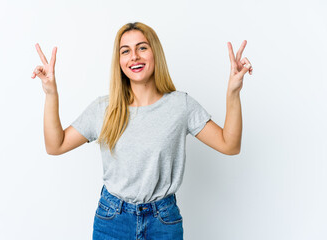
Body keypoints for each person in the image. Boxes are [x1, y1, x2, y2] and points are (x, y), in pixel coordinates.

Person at [31, 22, 252, 240]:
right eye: (125, 51)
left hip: (163, 222)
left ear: (155, 53)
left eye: (142, 48)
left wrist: (233, 92)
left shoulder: (180, 106)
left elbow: (229, 145)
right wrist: (51, 93)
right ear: (119, 62)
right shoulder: (104, 109)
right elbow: (55, 145)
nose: (134, 56)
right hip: (112, 220)